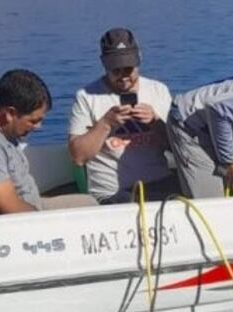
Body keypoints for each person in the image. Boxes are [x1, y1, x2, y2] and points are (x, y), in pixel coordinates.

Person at [0, 69, 95, 217]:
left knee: (90, 204)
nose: (38, 127)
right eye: (33, 121)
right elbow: (8, 207)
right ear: (10, 114)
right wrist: (46, 223)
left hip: (28, 207)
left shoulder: (0, 126)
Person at [68, 28, 175, 204]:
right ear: (105, 65)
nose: (124, 77)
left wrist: (155, 122)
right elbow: (78, 157)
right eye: (116, 71)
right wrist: (105, 124)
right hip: (111, 193)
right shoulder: (86, 97)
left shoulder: (158, 90)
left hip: (158, 183)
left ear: (138, 60)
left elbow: (176, 147)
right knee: (127, 201)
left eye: (128, 70)